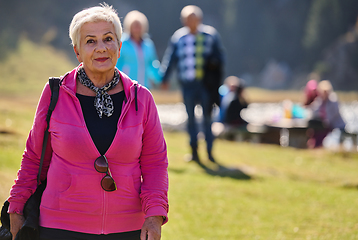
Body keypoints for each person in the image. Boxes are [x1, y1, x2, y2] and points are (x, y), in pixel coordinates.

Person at [8, 4, 168, 240]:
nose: (101, 48)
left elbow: (155, 163)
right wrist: (16, 206)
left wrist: (154, 216)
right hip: (59, 225)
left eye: (108, 39)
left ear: (119, 46)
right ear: (77, 51)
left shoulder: (141, 98)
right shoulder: (56, 93)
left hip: (127, 227)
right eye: (90, 41)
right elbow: (34, 156)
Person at [160, 5, 225, 162]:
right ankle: (194, 152)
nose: (190, 22)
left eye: (193, 19)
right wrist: (164, 78)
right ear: (183, 21)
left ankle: (209, 152)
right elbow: (171, 59)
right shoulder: (178, 38)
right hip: (187, 84)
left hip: (205, 85)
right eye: (187, 19)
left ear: (199, 19)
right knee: (190, 118)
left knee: (208, 118)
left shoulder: (210, 35)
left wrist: (214, 71)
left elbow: (220, 58)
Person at [116, 10, 161, 90]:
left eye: (139, 26)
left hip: (144, 85)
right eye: (134, 26)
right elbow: (117, 63)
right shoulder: (123, 43)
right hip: (126, 85)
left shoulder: (148, 44)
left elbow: (152, 64)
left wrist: (160, 79)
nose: (137, 29)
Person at [307, 80, 345, 148]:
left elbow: (332, 116)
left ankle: (317, 146)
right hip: (325, 125)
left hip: (336, 125)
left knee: (321, 131)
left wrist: (324, 120)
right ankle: (315, 146)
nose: (323, 94)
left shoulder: (333, 101)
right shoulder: (320, 100)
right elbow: (314, 110)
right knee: (314, 130)